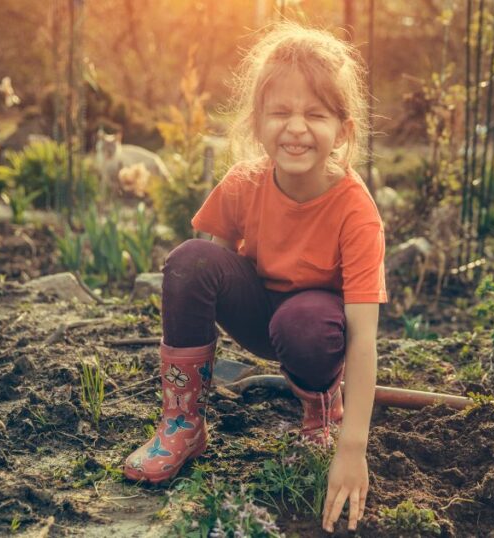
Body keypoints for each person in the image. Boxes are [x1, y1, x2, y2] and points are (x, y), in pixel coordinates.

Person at [122, 22, 385, 533]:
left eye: (315, 114)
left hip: (315, 330)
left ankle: (319, 409)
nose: (295, 128)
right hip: (259, 311)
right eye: (280, 112)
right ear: (257, 121)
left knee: (305, 322)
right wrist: (200, 362)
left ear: (344, 129)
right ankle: (183, 424)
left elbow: (365, 337)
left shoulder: (356, 211)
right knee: (188, 259)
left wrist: (354, 448)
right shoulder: (244, 183)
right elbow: (208, 273)